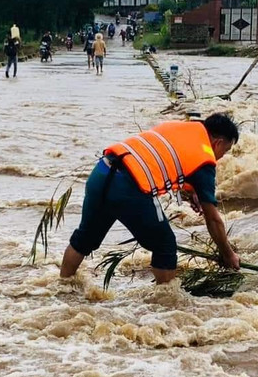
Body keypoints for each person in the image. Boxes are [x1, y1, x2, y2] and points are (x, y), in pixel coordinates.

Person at [60, 114, 242, 284]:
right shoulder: (205, 160)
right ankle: (165, 305)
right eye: (225, 151)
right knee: (165, 245)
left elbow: (164, 160)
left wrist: (191, 191)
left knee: (84, 239)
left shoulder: (178, 127)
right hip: (129, 189)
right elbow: (213, 220)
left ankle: (63, 286)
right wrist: (228, 254)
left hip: (102, 172)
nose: (221, 157)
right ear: (217, 143)